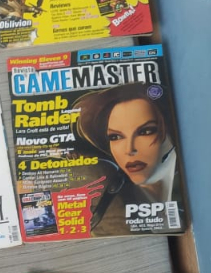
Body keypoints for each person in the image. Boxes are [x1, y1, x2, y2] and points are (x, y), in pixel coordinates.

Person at [74, 82, 179, 234]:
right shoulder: (106, 201)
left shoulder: (183, 211)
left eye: (145, 131)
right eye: (115, 137)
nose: (129, 150)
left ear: (171, 130)